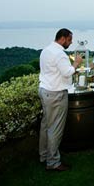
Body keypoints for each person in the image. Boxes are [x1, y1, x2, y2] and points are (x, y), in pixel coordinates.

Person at [38, 28, 83, 171]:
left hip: (44, 90)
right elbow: (67, 72)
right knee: (55, 128)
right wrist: (76, 63)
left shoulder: (46, 50)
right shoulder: (59, 54)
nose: (71, 43)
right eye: (70, 40)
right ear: (63, 38)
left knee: (46, 125)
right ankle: (53, 162)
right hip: (56, 94)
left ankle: (44, 155)